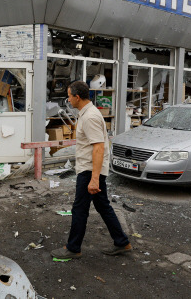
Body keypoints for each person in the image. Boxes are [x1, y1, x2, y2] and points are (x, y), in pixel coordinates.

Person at [51, 81, 131, 259]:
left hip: (90, 171)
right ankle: (122, 242)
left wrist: (94, 179)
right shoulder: (86, 114)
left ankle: (73, 248)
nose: (68, 99)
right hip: (90, 169)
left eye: (69, 96)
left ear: (77, 97)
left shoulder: (90, 117)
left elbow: (98, 148)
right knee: (102, 206)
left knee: (80, 208)